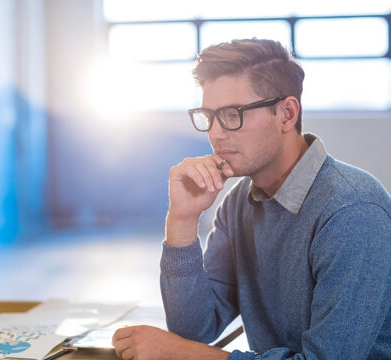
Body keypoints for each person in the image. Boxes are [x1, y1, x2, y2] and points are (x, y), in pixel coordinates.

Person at [112, 38, 391, 359]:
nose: (215, 133)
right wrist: (182, 220)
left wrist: (187, 354)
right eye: (208, 115)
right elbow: (194, 330)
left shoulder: (352, 211)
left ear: (286, 114)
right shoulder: (237, 204)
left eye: (232, 114)